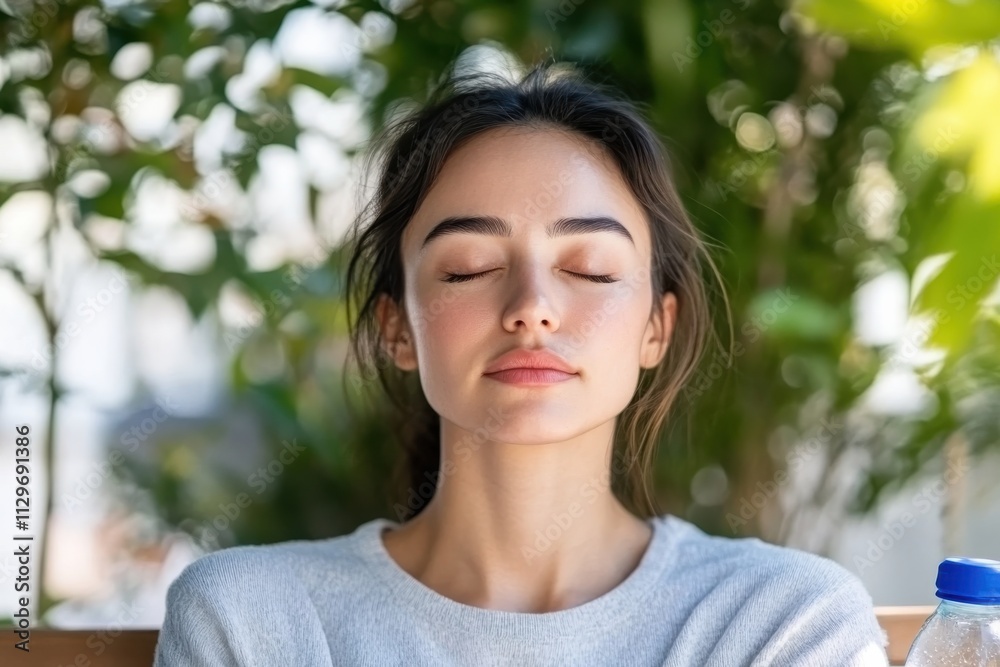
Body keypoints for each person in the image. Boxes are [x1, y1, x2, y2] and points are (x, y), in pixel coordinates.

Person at [153, 59, 890, 666]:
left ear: (655, 329)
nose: (532, 306)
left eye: (592, 270)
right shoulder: (251, 622)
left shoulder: (779, 623)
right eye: (469, 267)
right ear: (396, 328)